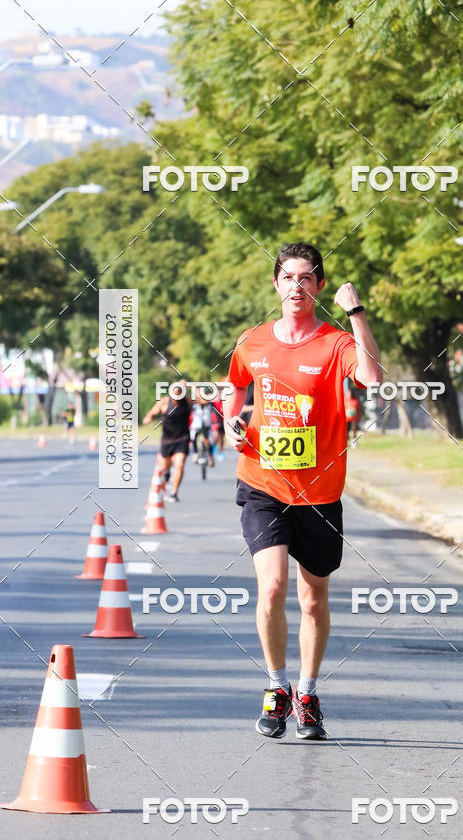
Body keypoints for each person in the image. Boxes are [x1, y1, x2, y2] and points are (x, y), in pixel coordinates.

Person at [223, 242, 381, 741]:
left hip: (319, 491)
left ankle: (308, 693)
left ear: (318, 286)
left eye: (307, 278)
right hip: (262, 481)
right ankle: (276, 686)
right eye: (289, 277)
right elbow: (237, 387)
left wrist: (356, 313)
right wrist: (232, 421)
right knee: (270, 588)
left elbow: (372, 376)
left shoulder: (335, 343)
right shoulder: (253, 341)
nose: (297, 285)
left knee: (313, 600)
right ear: (276, 284)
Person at [142, 381, 191, 502]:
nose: (176, 397)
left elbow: (205, 400)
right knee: (165, 467)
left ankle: (174, 493)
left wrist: (191, 385)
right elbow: (152, 413)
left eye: (179, 393)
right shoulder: (163, 402)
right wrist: (148, 418)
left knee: (179, 464)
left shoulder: (188, 401)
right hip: (167, 440)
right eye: (174, 393)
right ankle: (167, 473)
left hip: (182, 438)